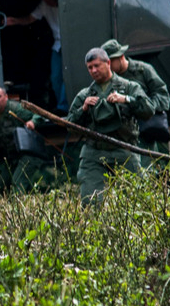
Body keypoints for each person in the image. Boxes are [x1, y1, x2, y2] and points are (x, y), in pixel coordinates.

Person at [66, 48, 155, 204]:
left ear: (108, 63)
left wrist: (126, 99)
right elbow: (70, 126)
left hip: (124, 149)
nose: (93, 70)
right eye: (89, 68)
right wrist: (84, 109)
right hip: (94, 152)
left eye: (96, 65)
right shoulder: (85, 94)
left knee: (139, 199)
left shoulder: (129, 87)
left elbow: (149, 109)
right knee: (90, 201)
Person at [102, 39, 170, 169]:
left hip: (150, 128)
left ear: (121, 57)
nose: (107, 66)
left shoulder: (143, 70)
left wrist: (144, 107)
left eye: (110, 62)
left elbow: (163, 97)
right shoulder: (109, 81)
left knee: (164, 169)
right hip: (127, 134)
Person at [5, 0, 66, 111]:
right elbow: (30, 19)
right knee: (55, 78)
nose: (48, 3)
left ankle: (64, 106)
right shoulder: (44, 6)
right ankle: (62, 107)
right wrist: (14, 21)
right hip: (58, 44)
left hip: (69, 43)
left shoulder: (65, 0)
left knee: (66, 76)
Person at [0, 85, 45, 193]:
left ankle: (20, 207)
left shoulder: (16, 109)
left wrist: (32, 122)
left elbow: (39, 115)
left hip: (27, 155)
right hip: (10, 158)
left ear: (6, 97)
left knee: (18, 183)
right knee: (1, 186)